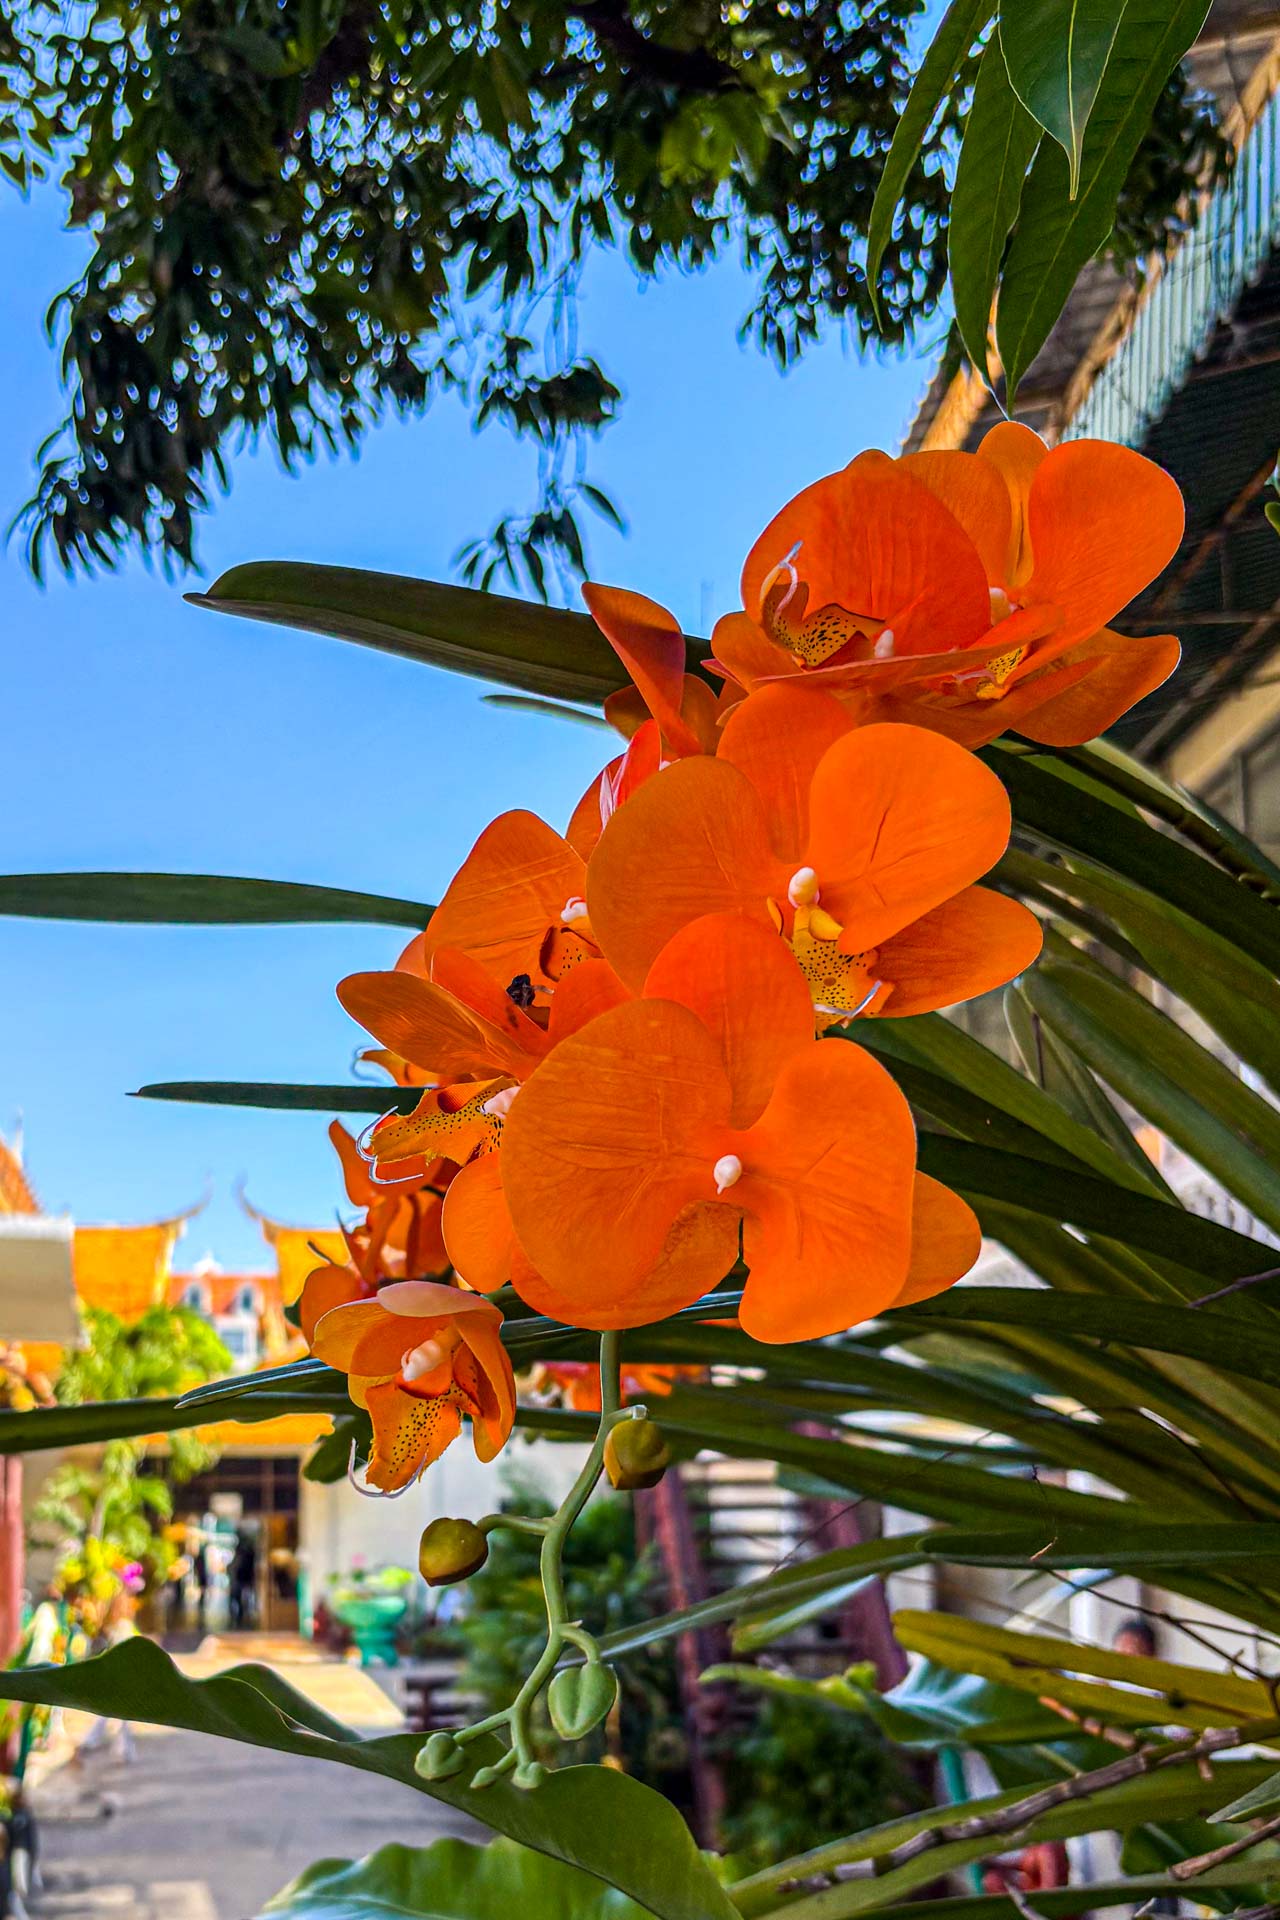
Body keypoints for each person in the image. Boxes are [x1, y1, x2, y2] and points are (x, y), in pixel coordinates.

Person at [228, 1531, 257, 1631]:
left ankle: (239, 1616)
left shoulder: (243, 1554)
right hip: (243, 1578)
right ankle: (239, 1616)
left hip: (241, 1578)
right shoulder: (248, 1553)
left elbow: (236, 1566)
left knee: (238, 1598)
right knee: (240, 1598)